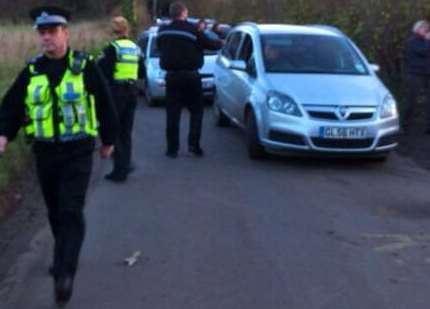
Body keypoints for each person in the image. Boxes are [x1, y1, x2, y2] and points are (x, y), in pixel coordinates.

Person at [0, 6, 118, 305]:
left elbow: (105, 102)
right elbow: (11, 106)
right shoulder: (32, 70)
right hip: (45, 152)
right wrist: (3, 134)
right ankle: (62, 254)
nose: (47, 38)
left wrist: (109, 139)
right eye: (42, 33)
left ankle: (65, 273)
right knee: (55, 211)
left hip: (78, 150)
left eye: (52, 32)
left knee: (71, 211)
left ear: (65, 33)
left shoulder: (84, 66)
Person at [157, 2, 223, 158]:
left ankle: (172, 149)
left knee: (172, 113)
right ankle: (193, 146)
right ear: (184, 13)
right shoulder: (193, 31)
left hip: (172, 76)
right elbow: (211, 45)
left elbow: (160, 47)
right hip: (191, 76)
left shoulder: (162, 31)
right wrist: (221, 42)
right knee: (196, 112)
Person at [98, 16, 145, 182]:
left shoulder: (112, 48)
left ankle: (119, 170)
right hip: (132, 91)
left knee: (114, 130)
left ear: (113, 31)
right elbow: (142, 73)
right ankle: (125, 165)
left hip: (116, 92)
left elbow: (102, 71)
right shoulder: (135, 48)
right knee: (126, 131)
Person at [404, 20, 430, 134]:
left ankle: (428, 127)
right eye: (424, 28)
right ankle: (406, 125)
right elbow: (422, 51)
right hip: (415, 74)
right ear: (418, 29)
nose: (427, 31)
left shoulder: (426, 41)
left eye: (427, 28)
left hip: (427, 74)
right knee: (412, 100)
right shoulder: (412, 41)